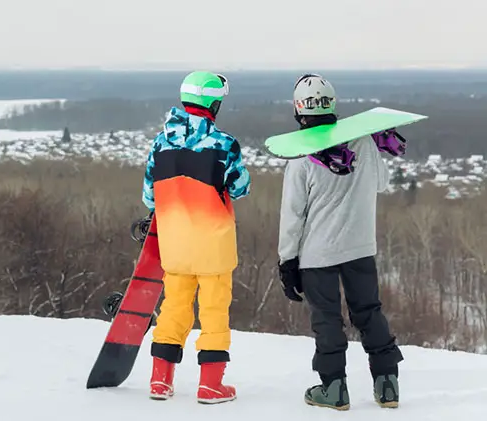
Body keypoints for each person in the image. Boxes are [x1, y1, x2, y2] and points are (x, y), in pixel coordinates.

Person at [277, 73, 405, 411]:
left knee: (327, 319)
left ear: (298, 109)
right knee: (369, 312)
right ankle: (387, 383)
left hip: (318, 254)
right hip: (361, 246)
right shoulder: (363, 142)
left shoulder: (302, 157)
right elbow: (382, 183)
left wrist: (287, 261)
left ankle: (333, 388)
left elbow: (293, 216)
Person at [141, 70, 250, 404]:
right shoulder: (224, 145)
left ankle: (160, 381)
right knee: (214, 312)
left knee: (174, 307)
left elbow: (149, 196)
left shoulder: (160, 144)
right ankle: (210, 385)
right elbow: (240, 188)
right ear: (213, 103)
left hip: (175, 244)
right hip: (213, 246)